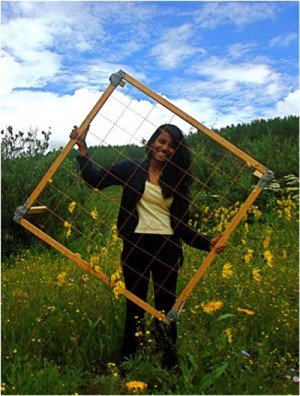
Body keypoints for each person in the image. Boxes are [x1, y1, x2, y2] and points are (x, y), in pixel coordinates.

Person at [70, 123, 225, 369]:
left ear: (177, 151)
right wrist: (82, 148)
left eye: (172, 145)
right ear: (153, 141)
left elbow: (181, 227)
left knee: (166, 308)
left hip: (167, 249)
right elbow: (95, 180)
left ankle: (169, 364)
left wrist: (207, 243)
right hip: (135, 247)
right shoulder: (130, 168)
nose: (165, 148)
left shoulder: (178, 180)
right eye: (162, 141)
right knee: (135, 306)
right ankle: (129, 363)